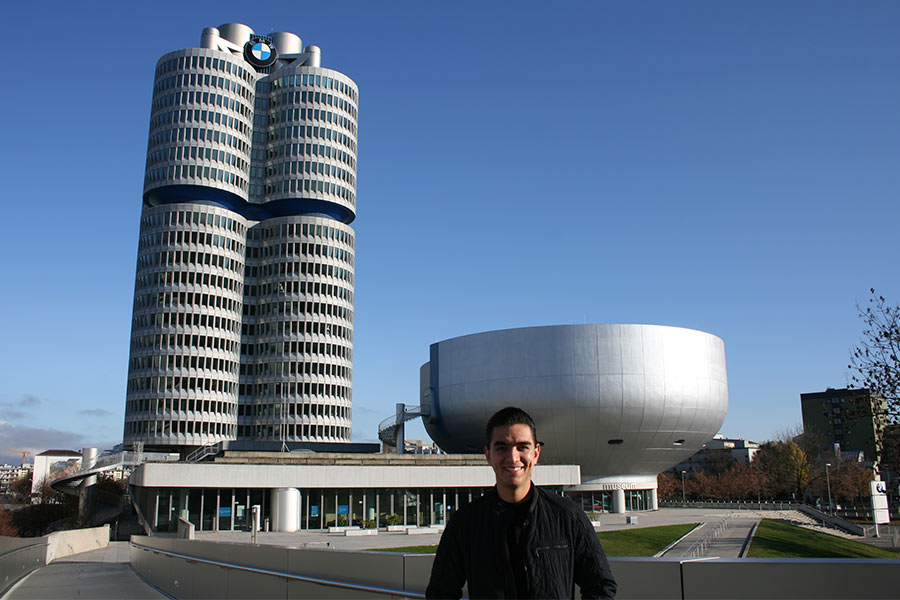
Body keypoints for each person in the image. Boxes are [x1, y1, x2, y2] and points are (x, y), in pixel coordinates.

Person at [426, 406, 617, 599]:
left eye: (522, 447)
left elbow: (601, 587)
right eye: (502, 448)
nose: (513, 458)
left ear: (536, 453)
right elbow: (440, 592)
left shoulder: (568, 517)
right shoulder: (465, 524)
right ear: (488, 455)